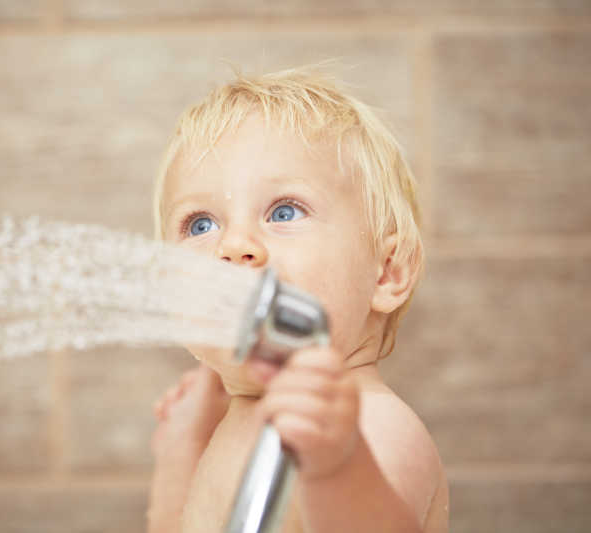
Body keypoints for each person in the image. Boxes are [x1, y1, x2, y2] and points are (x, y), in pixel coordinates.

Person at [147, 65, 449, 533]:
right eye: (200, 224)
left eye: (284, 211)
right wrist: (178, 460)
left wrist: (336, 467)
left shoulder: (372, 427)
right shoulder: (235, 424)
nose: (232, 245)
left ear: (386, 273)